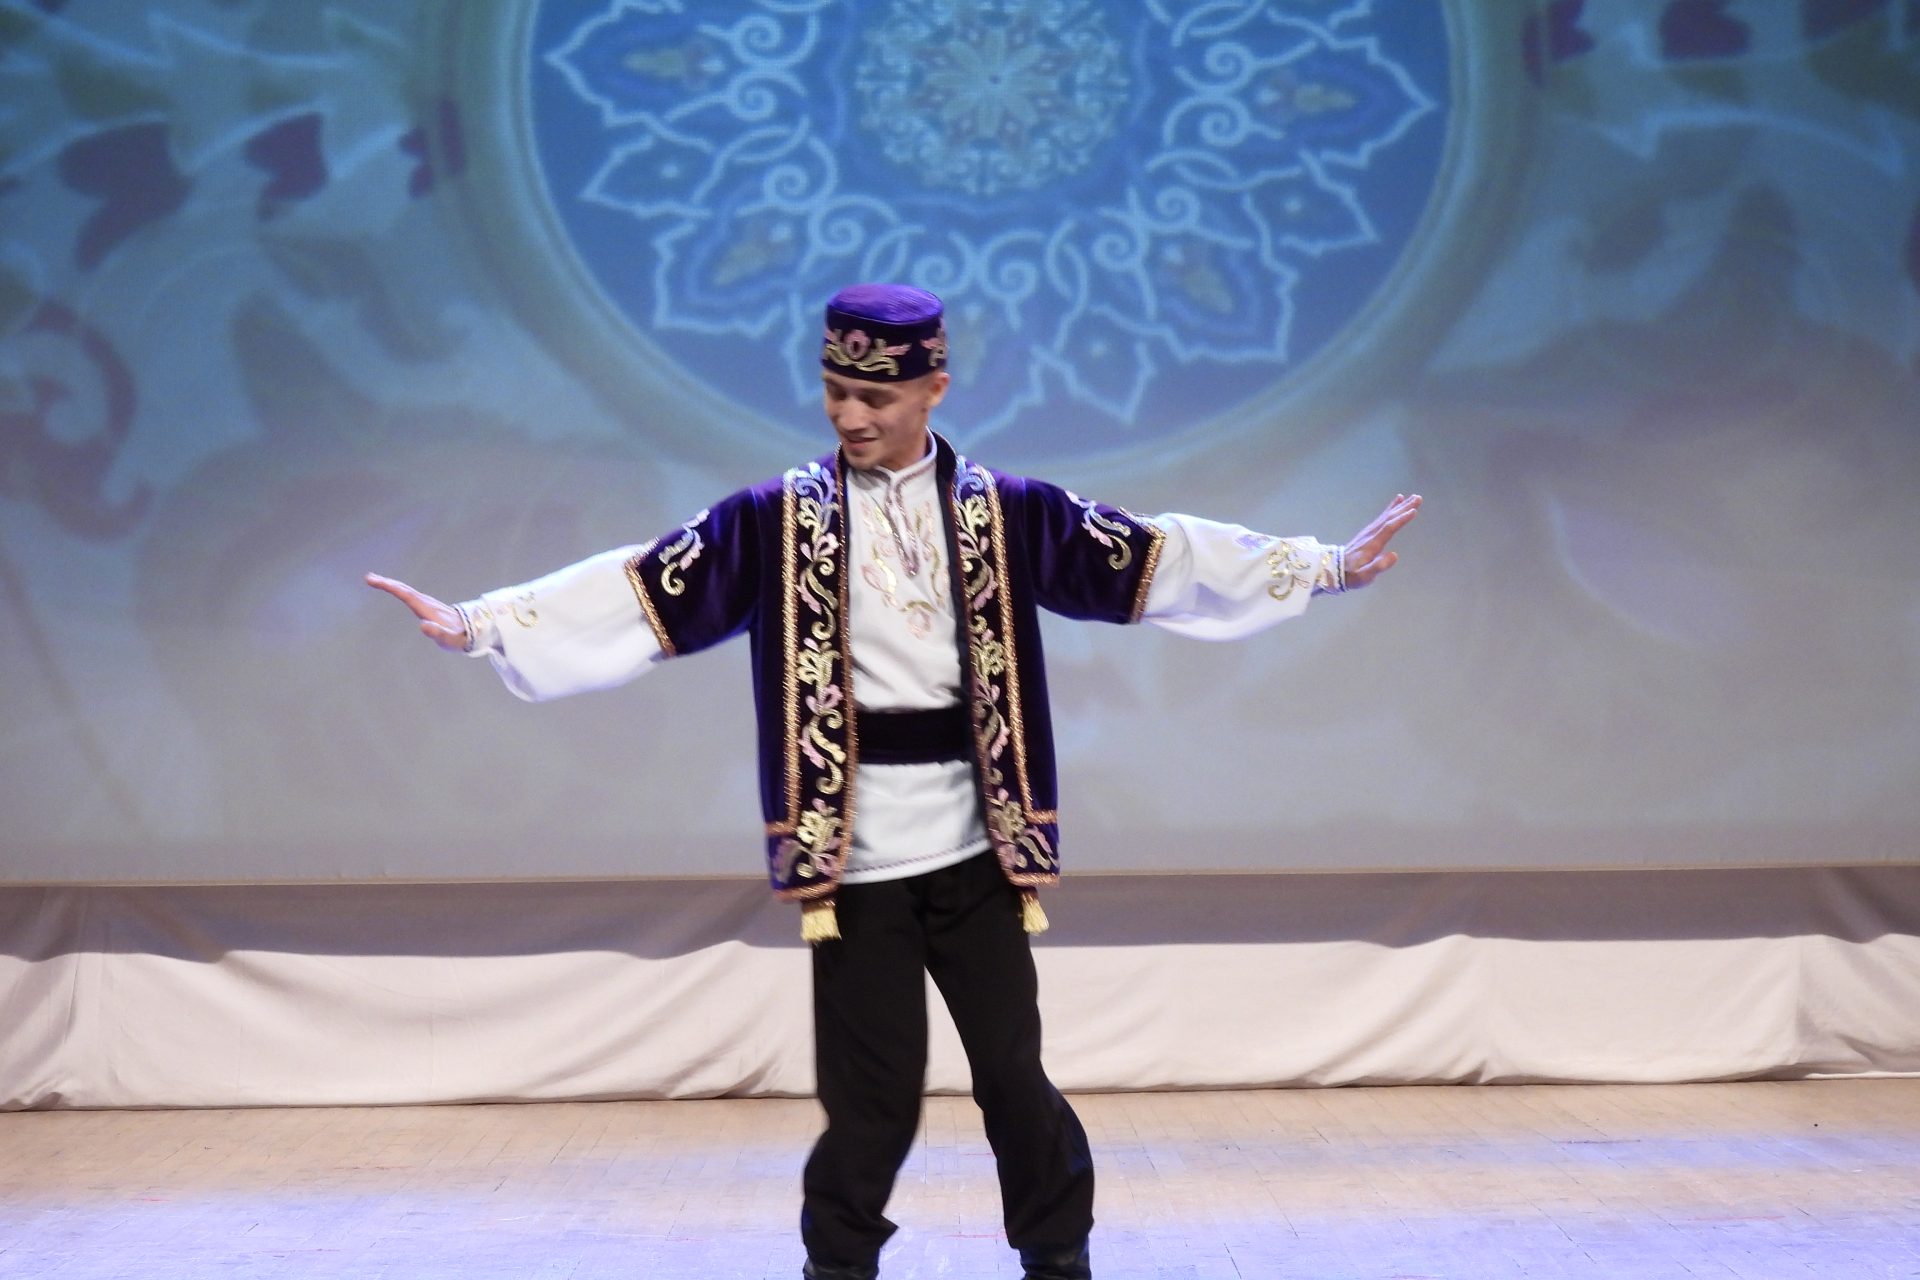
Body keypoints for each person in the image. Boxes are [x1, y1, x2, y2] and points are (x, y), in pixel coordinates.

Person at [368, 283, 1420, 1280]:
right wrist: (484, 624)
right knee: (871, 1101)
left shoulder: (1006, 510)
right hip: (855, 857)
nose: (851, 415)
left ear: (934, 389)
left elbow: (1149, 558)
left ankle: (1058, 1259)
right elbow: (648, 587)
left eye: (875, 396)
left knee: (1013, 1078)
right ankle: (838, 1264)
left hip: (979, 849)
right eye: (836, 393)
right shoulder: (776, 519)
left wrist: (1319, 564)